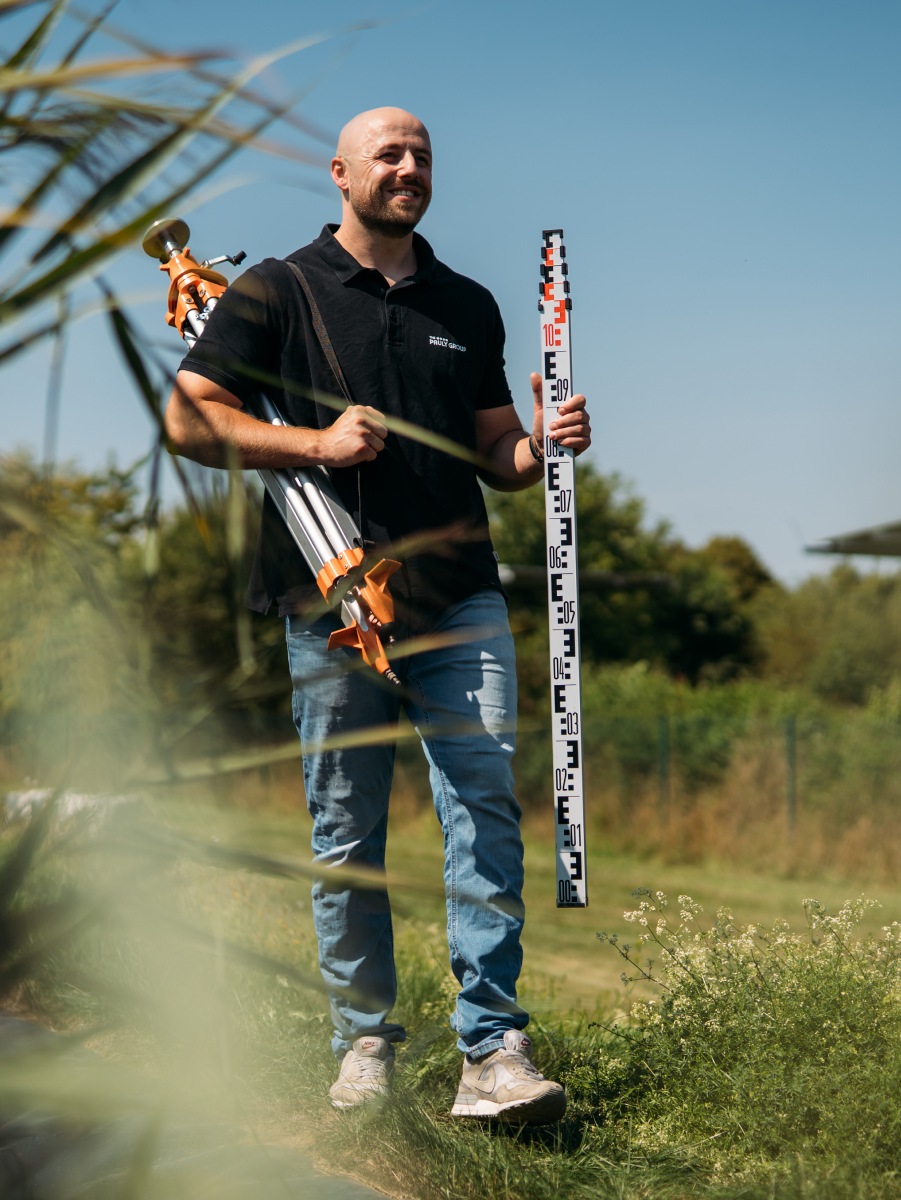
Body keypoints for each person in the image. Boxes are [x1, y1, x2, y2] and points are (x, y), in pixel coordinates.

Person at [165, 107, 592, 1125]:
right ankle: (364, 1044)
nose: (409, 168)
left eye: (423, 156)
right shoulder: (277, 289)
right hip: (331, 597)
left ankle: (493, 1052)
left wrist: (541, 446)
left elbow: (496, 452)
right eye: (389, 154)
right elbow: (189, 418)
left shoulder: (467, 302)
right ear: (341, 172)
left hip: (459, 594)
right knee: (346, 827)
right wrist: (316, 446)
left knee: (483, 806)